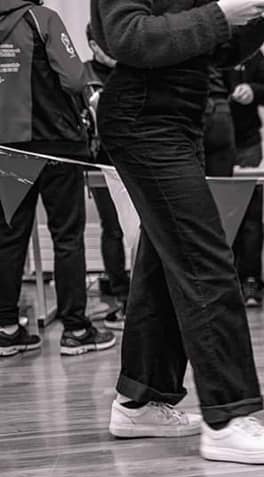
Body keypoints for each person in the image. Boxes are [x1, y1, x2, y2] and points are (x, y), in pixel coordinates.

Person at [92, 0, 264, 463]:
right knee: (205, 260)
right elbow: (127, 36)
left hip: (180, 121)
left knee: (165, 261)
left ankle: (140, 400)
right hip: (145, 119)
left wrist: (261, 15)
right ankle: (227, 418)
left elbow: (216, 49)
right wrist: (225, 11)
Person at [0, 0, 115, 357]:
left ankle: (6, 328)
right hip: (56, 144)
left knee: (9, 237)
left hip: (8, 145)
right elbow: (74, 78)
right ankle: (76, 329)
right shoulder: (43, 18)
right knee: (67, 236)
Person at [83, 24, 129, 330]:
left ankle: (144, 292)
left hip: (135, 159)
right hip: (101, 162)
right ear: (92, 44)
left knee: (145, 228)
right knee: (112, 228)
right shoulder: (82, 74)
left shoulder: (130, 68)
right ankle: (122, 294)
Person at [225, 50, 264, 307]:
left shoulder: (251, 53)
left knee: (251, 215)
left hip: (247, 143)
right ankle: (227, 278)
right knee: (220, 214)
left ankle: (250, 279)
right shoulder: (205, 48)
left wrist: (253, 91)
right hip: (213, 141)